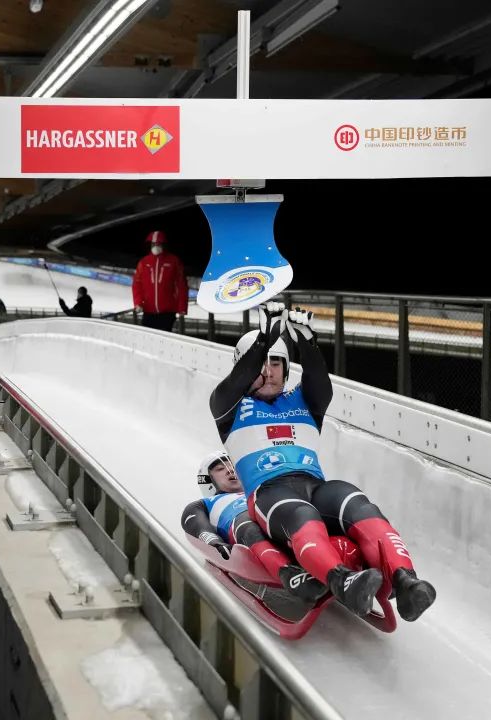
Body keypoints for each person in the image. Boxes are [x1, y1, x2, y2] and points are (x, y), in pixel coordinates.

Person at [209, 302, 437, 621]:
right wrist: (263, 341)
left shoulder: (303, 401)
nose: (268, 370)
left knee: (358, 504)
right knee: (303, 515)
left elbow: (320, 383)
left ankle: (406, 581)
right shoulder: (229, 407)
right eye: (262, 363)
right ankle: (342, 580)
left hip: (317, 487)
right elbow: (236, 381)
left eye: (276, 362)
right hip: (270, 493)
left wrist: (307, 340)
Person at [182, 451, 328, 602]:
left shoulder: (263, 489)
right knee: (248, 524)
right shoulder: (205, 504)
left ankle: (334, 565)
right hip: (244, 527)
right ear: (208, 480)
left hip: (275, 520)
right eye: (220, 469)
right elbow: (194, 523)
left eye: (233, 466)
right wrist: (214, 542)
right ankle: (287, 572)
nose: (230, 470)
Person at [132, 230, 188, 332]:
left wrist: (182, 307)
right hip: (148, 310)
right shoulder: (144, 262)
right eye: (153, 244)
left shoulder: (174, 261)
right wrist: (138, 303)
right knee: (148, 336)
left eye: (158, 244)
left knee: (164, 336)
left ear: (164, 245)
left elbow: (181, 285)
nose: (155, 246)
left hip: (168, 311)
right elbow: (137, 284)